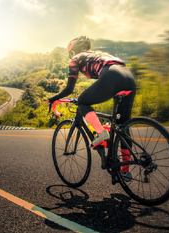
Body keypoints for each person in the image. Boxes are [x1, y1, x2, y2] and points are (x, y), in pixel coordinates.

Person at [48, 36, 136, 180]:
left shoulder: (76, 58)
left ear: (73, 50)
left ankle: (101, 133)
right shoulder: (98, 54)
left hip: (112, 76)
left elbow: (69, 89)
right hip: (128, 77)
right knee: (123, 127)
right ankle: (125, 171)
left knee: (83, 101)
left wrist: (54, 98)